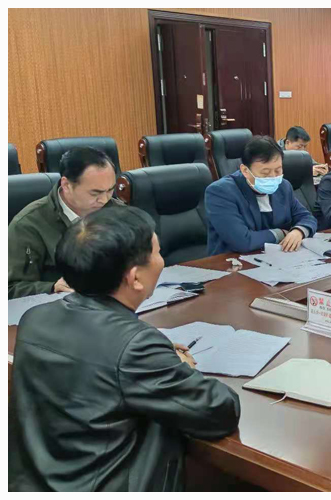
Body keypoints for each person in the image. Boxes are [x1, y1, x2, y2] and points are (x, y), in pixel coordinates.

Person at [9, 206, 241, 491]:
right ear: (135, 278)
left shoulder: (35, 318)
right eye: (157, 253)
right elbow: (219, 412)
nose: (162, 260)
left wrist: (153, 354)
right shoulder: (136, 347)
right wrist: (181, 367)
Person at [8, 147, 120, 299]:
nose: (104, 199)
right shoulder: (28, 225)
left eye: (110, 190)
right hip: (59, 306)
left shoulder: (118, 212)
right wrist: (52, 287)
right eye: (95, 193)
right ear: (66, 185)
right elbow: (10, 288)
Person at [205, 135, 317, 255]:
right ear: (245, 171)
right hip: (232, 260)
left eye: (278, 170)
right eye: (265, 173)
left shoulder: (283, 186)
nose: (273, 177)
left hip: (276, 257)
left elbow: (307, 218)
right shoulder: (220, 192)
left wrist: (298, 231)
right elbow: (243, 241)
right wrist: (281, 233)